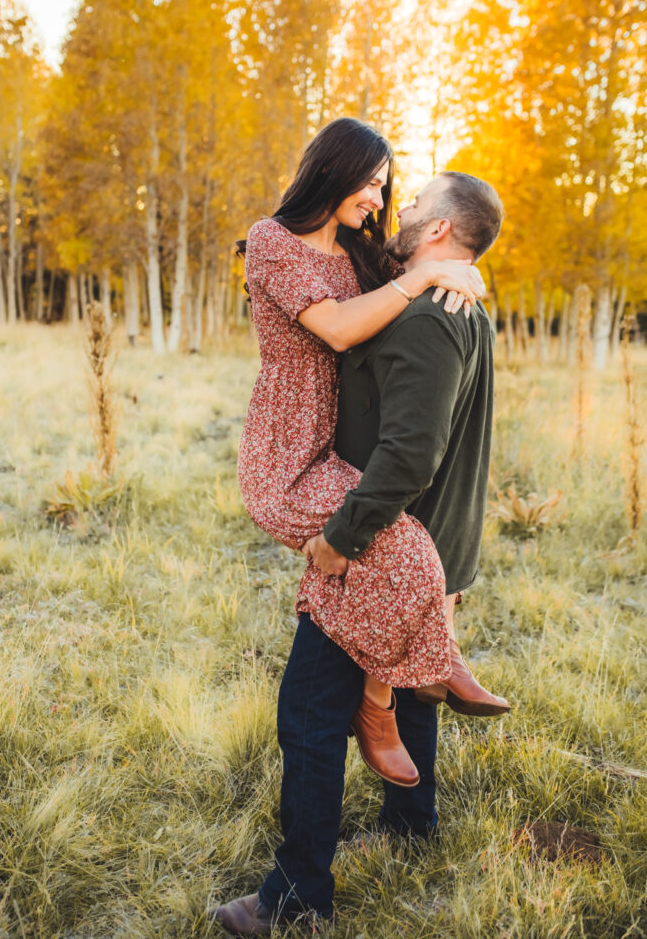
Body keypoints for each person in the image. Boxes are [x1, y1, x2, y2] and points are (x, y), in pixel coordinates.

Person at [211, 169, 506, 935]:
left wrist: (341, 542)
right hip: (434, 540)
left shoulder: (424, 316)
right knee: (412, 683)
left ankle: (296, 899)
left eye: (414, 204)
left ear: (440, 230)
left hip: (379, 540)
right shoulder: (464, 302)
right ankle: (411, 828)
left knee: (309, 712)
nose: (399, 209)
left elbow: (409, 453)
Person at [235, 118, 497, 789]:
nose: (381, 201)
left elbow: (416, 281)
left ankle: (396, 702)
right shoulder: (272, 242)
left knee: (403, 547)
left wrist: (452, 271)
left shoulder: (361, 254)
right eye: (373, 184)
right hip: (291, 450)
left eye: (389, 189)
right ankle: (430, 672)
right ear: (336, 170)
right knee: (405, 548)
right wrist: (432, 273)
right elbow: (342, 325)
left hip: (340, 455)